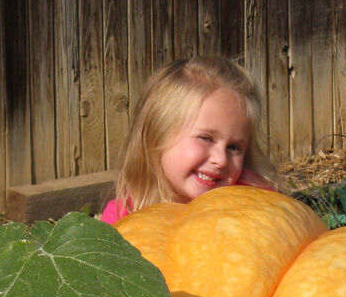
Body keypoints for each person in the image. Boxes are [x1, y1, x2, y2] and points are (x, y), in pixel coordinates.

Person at [100, 56, 277, 224]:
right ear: (157, 134)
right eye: (206, 138)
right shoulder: (124, 216)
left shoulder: (254, 201)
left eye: (234, 147)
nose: (221, 160)